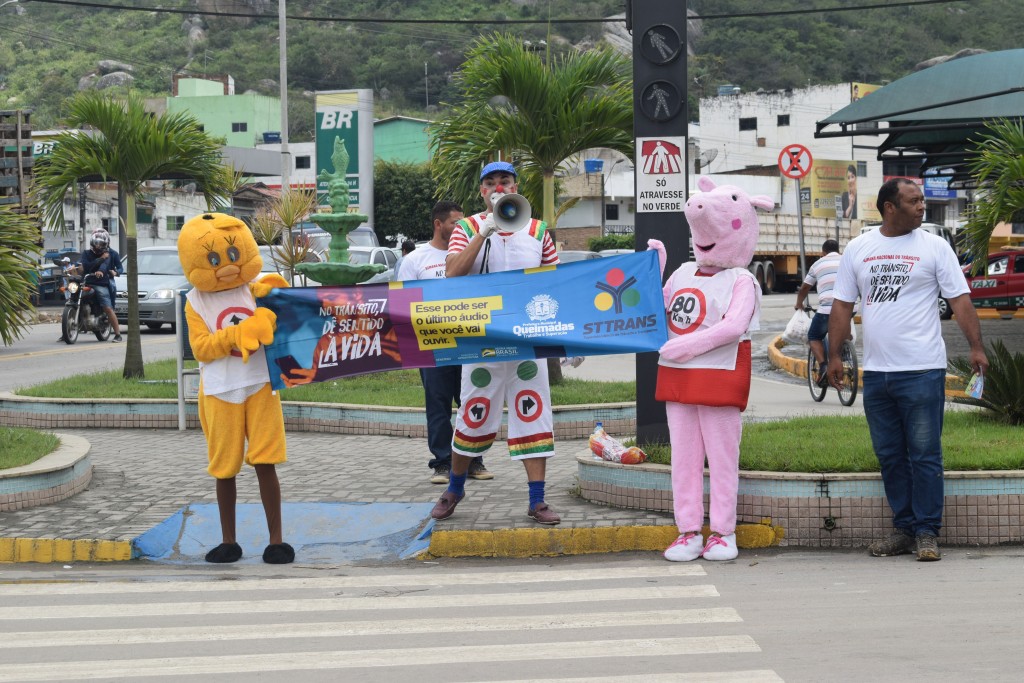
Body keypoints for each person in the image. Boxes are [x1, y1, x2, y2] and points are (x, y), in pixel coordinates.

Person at [826, 178, 988, 562]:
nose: (921, 207)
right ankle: (903, 527)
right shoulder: (860, 248)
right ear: (889, 208)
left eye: (922, 201)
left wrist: (976, 346)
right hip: (878, 374)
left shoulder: (934, 247)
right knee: (890, 455)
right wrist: (834, 355)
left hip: (923, 369)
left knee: (925, 454)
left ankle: (927, 532)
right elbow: (842, 306)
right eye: (913, 201)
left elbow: (960, 300)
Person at [432, 160, 561, 525]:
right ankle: (454, 487)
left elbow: (554, 285)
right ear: (481, 191)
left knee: (534, 415)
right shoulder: (466, 228)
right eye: (491, 183)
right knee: (472, 414)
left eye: (505, 181)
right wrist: (483, 232)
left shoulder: (538, 231)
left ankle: (537, 500)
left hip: (527, 342)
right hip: (481, 341)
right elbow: (453, 272)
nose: (498, 188)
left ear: (516, 186)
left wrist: (564, 341)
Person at [397, 201, 492, 485]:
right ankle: (442, 463)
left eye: (464, 221)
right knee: (437, 404)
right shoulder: (415, 260)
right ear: (438, 225)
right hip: (432, 346)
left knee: (470, 401)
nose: (461, 226)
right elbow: (403, 304)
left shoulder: (470, 256)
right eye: (455, 222)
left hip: (469, 343)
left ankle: (473, 460)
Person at [794, 239, 842, 387]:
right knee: (844, 329)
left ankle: (823, 366)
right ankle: (845, 351)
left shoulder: (818, 264)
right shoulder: (846, 260)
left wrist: (799, 303)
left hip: (827, 309)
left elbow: (804, 288)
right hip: (849, 308)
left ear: (823, 252)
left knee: (814, 336)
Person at [80, 229, 124, 342]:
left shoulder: (110, 254)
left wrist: (115, 272)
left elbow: (105, 266)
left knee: (108, 307)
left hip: (103, 281)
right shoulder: (86, 253)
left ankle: (118, 334)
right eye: (96, 243)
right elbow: (85, 266)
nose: (98, 246)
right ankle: (69, 328)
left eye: (101, 244)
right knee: (74, 296)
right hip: (87, 281)